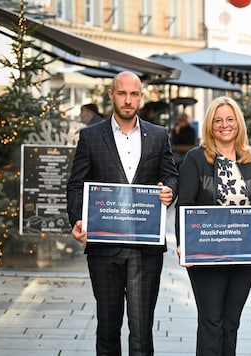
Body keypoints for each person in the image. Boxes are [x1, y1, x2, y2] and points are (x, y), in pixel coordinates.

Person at [66, 71, 178, 356]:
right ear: (111, 95)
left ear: (141, 96)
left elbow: (171, 175)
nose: (128, 100)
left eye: (134, 94)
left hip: (145, 249)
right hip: (104, 248)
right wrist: (77, 219)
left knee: (142, 332)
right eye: (122, 93)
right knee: (107, 328)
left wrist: (170, 192)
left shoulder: (158, 135)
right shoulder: (91, 136)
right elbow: (77, 183)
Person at [175, 96, 251, 356]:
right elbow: (184, 204)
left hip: (243, 254)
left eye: (230, 119)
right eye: (218, 120)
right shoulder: (196, 159)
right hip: (206, 252)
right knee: (211, 321)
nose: (224, 125)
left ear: (238, 123)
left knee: (231, 322)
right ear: (210, 125)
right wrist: (184, 243)